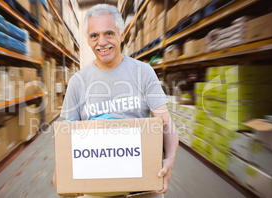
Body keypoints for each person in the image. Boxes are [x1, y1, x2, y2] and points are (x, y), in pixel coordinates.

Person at [53, 4, 178, 198]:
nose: (101, 42)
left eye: (109, 33)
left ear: (121, 35)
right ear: (88, 40)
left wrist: (169, 159)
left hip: (142, 187)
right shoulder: (78, 82)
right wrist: (62, 170)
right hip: (97, 188)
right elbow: (67, 135)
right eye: (94, 36)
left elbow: (165, 122)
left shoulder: (143, 73)